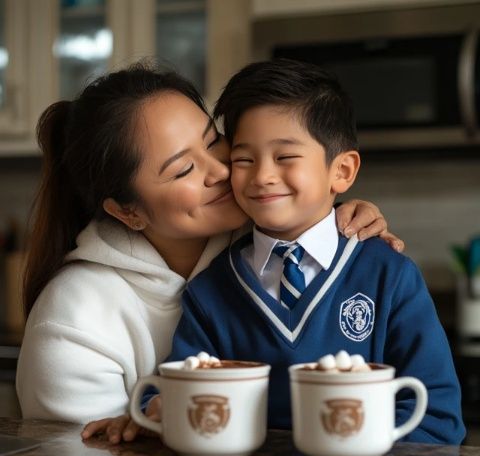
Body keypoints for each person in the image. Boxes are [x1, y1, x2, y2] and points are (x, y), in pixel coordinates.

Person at [16, 63, 400, 427]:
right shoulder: (72, 322)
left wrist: (339, 220)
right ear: (127, 211)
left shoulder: (257, 241)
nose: (221, 170)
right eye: (183, 169)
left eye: (213, 141)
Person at [144, 59, 465, 444]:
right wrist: (156, 407)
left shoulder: (389, 276)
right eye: (243, 159)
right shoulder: (211, 289)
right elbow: (174, 391)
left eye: (285, 158)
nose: (262, 175)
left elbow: (436, 417)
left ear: (342, 171)